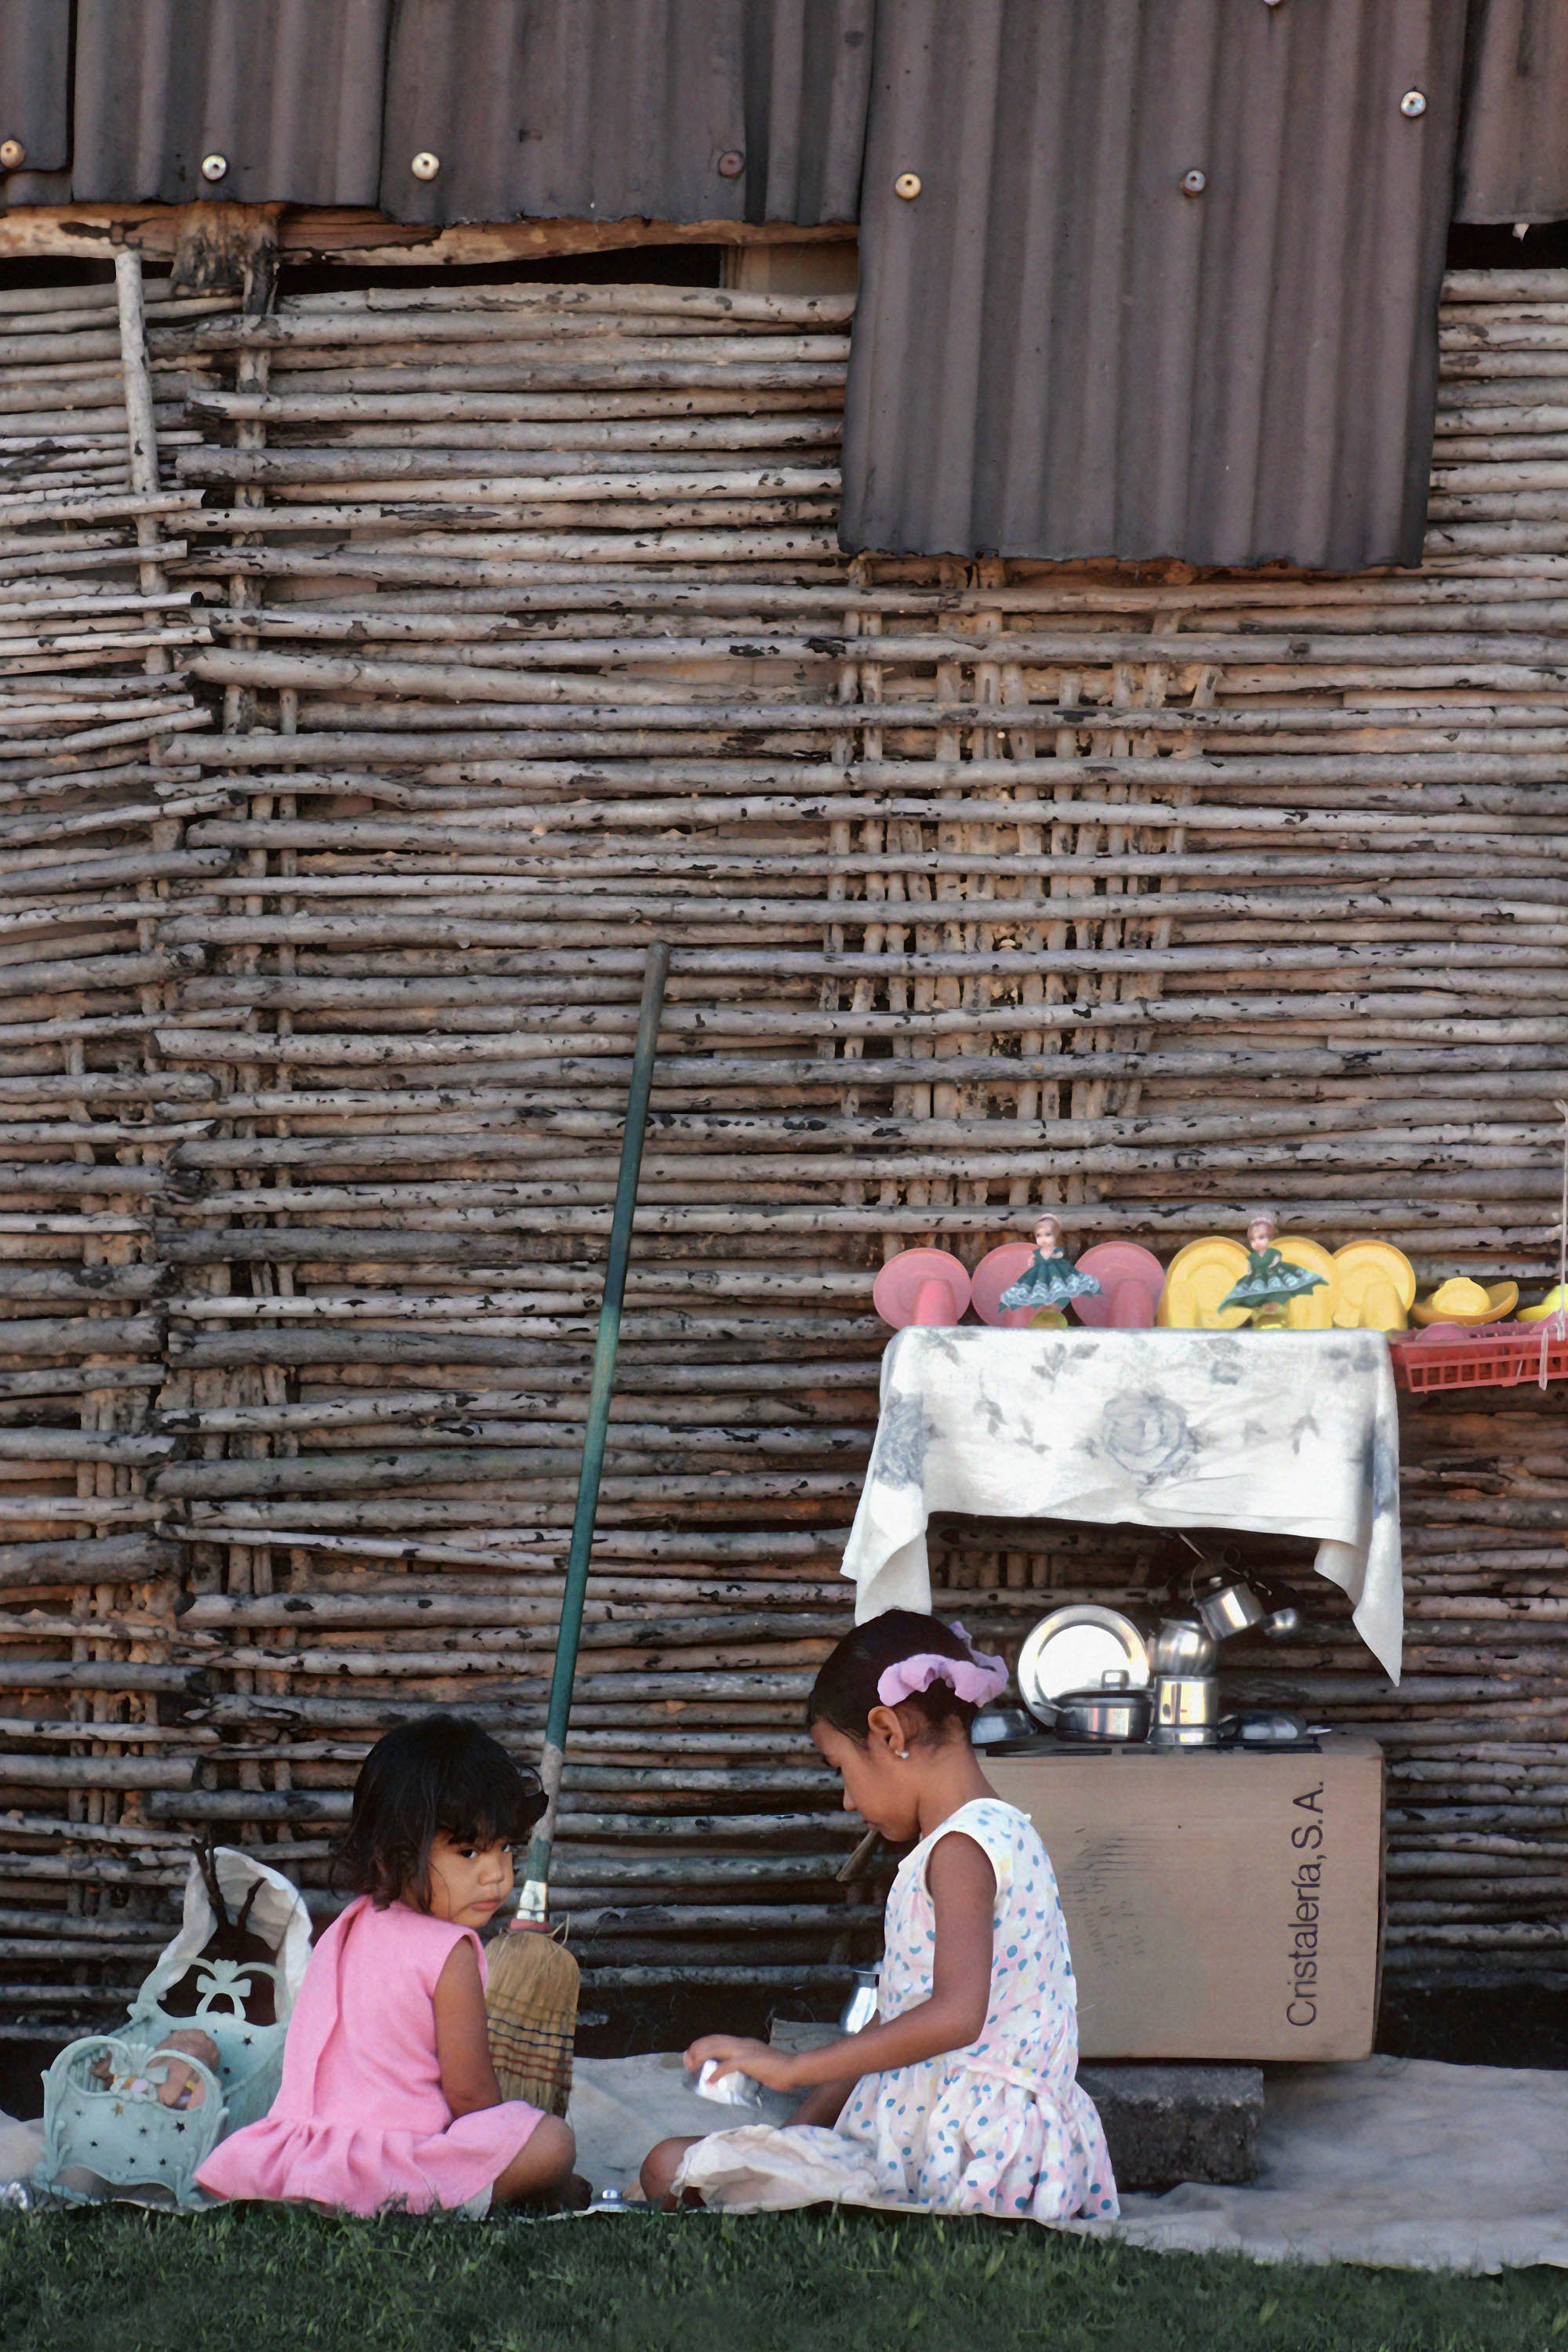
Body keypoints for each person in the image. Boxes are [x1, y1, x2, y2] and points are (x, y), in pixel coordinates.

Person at [641, 1612, 1117, 2223]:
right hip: (959, 2138)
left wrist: (793, 2067)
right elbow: (895, 2019)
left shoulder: (962, 1849)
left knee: (670, 2167)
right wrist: (791, 2137)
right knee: (682, 2166)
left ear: (888, 1732)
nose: (847, 1799)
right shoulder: (995, 1833)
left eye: (841, 1768)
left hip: (964, 2155)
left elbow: (956, 2016)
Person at [197, 1715, 579, 2216]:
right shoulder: (451, 1951)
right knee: (553, 2142)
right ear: (393, 1855)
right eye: (468, 1852)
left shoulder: (345, 1929)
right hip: (397, 2163)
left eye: (505, 1847)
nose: (496, 1874)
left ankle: (323, 2191)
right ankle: (441, 2199)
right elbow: (470, 2095)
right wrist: (497, 2147)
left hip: (307, 2153)